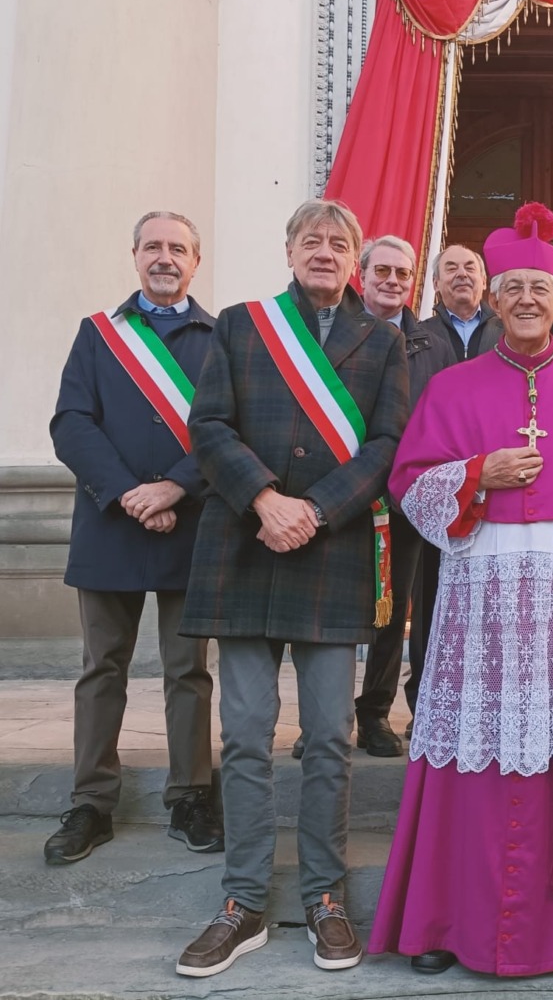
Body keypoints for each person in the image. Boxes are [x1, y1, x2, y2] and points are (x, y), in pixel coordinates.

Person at [367, 202, 553, 979]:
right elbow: (408, 484)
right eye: (513, 287)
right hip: (479, 602)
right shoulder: (453, 386)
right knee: (471, 750)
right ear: (493, 299)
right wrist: (476, 473)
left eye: (541, 286)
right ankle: (444, 917)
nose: (527, 298)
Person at [175, 199, 409, 978]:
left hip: (329, 551)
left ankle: (324, 896)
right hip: (245, 545)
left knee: (328, 739)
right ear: (288, 250)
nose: (323, 250)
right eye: (310, 238)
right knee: (242, 733)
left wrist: (317, 508)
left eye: (337, 242)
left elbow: (388, 442)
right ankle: (241, 899)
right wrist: (266, 500)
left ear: (354, 260)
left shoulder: (384, 341)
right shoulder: (242, 325)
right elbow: (208, 425)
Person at [46, 211, 221, 865]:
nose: (165, 256)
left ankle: (192, 794)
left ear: (195, 262)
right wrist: (129, 494)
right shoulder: (98, 336)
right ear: (135, 256)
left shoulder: (221, 337)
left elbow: (224, 428)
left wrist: (174, 487)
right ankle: (91, 801)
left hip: (190, 524)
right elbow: (72, 423)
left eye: (178, 247)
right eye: (154, 246)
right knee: (101, 669)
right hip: (110, 523)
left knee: (189, 671)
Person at [352, 235, 454, 756]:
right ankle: (320, 720)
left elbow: (442, 420)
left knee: (392, 613)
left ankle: (374, 713)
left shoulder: (433, 344)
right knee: (335, 608)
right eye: (382, 272)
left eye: (402, 273)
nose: (392, 281)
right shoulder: (332, 332)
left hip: (406, 500)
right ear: (361, 274)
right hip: (343, 497)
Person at [423, 244, 501, 361]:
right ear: (436, 283)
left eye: (470, 268)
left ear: (484, 281)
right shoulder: (421, 335)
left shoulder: (507, 331)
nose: (462, 274)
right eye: (451, 269)